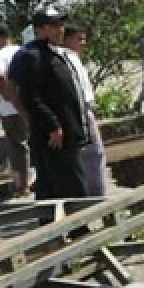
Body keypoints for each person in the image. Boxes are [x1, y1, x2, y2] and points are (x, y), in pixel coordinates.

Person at [8, 8, 88, 199]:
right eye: (54, 25)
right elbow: (30, 95)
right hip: (54, 134)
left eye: (61, 24)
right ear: (39, 30)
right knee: (71, 185)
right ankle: (79, 228)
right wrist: (52, 125)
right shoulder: (32, 55)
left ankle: (58, 226)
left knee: (54, 186)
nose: (60, 29)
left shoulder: (55, 53)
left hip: (68, 129)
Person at [62, 23, 108, 195]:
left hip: (81, 110)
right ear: (66, 40)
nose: (83, 43)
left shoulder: (68, 57)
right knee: (94, 154)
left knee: (86, 156)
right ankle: (97, 195)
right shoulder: (69, 58)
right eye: (79, 39)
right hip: (81, 112)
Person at [0, 24, 32, 196]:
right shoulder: (22, 50)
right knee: (31, 143)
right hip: (29, 103)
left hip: (11, 109)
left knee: (17, 146)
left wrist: (7, 94)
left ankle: (23, 186)